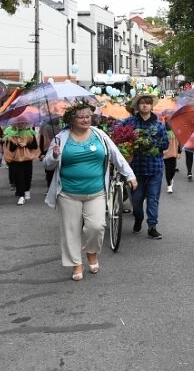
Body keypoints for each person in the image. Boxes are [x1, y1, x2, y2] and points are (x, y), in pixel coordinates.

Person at [44, 101, 137, 281]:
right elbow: (48, 164)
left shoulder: (99, 134)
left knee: (97, 226)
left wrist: (130, 175)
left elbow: (116, 155)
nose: (86, 120)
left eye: (88, 116)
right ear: (71, 119)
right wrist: (55, 155)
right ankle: (76, 263)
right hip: (68, 192)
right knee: (70, 230)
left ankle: (92, 252)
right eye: (81, 117)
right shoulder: (61, 138)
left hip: (96, 191)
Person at [119, 94, 169, 238]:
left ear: (152, 106)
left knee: (153, 198)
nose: (145, 105)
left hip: (155, 168)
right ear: (137, 106)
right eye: (142, 103)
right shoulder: (130, 122)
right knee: (137, 199)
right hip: (136, 168)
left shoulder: (159, 124)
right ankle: (138, 218)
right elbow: (117, 130)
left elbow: (165, 144)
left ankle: (152, 226)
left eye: (148, 103)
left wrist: (151, 143)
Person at [3, 119, 40, 205]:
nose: (20, 124)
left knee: (27, 175)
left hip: (27, 158)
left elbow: (34, 146)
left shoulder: (30, 133)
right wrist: (16, 143)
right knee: (18, 177)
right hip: (16, 159)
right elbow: (10, 148)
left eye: (23, 123)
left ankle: (27, 190)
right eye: (18, 122)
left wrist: (26, 144)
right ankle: (21, 195)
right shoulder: (11, 133)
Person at [163, 122, 180, 194]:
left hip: (173, 152)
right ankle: (169, 185)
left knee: (172, 169)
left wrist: (179, 152)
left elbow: (179, 142)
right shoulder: (162, 130)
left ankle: (170, 179)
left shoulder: (176, 131)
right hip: (165, 153)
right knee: (167, 168)